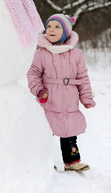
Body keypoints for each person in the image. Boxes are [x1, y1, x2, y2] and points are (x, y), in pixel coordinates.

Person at [27, 13, 96, 172]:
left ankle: (72, 162)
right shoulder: (41, 53)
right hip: (49, 100)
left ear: (66, 32)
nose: (51, 29)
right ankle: (43, 161)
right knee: (45, 132)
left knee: (69, 133)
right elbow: (33, 73)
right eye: (49, 26)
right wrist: (39, 89)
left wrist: (86, 98)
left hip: (70, 100)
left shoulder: (76, 54)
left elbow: (83, 77)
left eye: (57, 27)